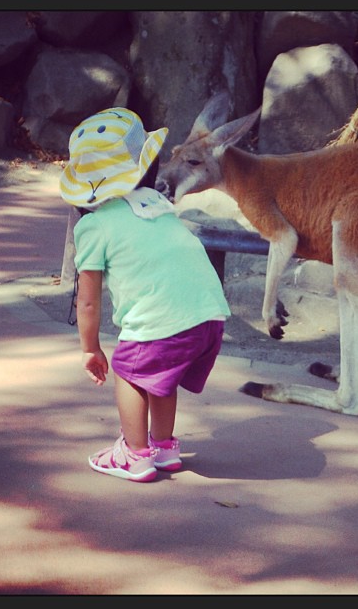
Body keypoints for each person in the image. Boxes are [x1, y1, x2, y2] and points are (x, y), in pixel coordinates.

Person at [60, 107, 231, 482]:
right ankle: (164, 447)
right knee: (160, 373)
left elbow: (87, 301)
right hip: (209, 315)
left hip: (162, 322)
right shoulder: (156, 204)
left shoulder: (94, 226)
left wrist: (90, 348)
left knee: (131, 371)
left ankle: (134, 455)